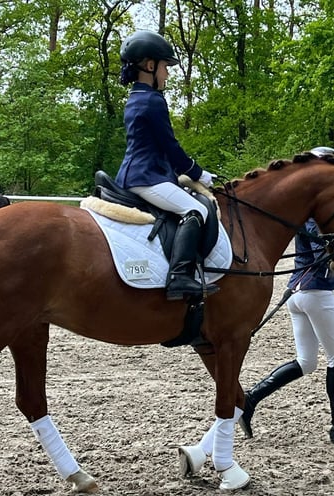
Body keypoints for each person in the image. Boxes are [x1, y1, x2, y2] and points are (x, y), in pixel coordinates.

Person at [239, 216, 334, 445]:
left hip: (297, 293)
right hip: (316, 295)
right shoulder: (318, 220)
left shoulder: (306, 215)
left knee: (306, 362)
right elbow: (322, 256)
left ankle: (250, 400)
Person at [116, 30, 218, 301]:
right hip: (146, 177)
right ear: (150, 66)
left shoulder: (137, 98)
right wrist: (199, 174)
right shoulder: (152, 101)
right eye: (165, 67)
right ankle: (180, 277)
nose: (168, 74)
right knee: (195, 210)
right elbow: (171, 148)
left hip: (138, 173)